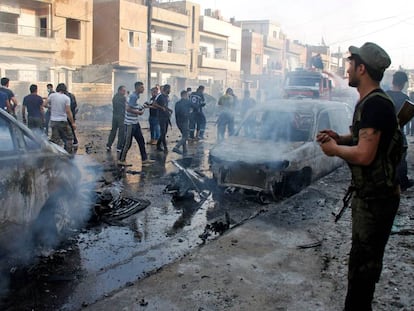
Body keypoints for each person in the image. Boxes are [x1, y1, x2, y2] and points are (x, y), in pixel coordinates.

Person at [317, 42, 403, 310]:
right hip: (372, 198)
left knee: (362, 270)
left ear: (362, 68)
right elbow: (364, 139)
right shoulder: (370, 102)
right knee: (360, 264)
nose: (346, 71)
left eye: (350, 65)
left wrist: (334, 150)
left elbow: (365, 155)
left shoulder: (375, 104)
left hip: (377, 201)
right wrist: (339, 137)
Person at [386, 71, 413, 191]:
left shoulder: (384, 95)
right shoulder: (405, 99)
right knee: (401, 158)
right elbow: (407, 118)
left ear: (393, 81)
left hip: (384, 134)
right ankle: (402, 182)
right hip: (399, 134)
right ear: (403, 84)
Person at [118, 81, 154, 166]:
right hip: (130, 124)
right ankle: (121, 160)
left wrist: (143, 106)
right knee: (128, 143)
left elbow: (135, 106)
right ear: (137, 88)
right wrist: (139, 113)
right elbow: (128, 109)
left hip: (135, 122)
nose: (143, 89)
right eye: (141, 87)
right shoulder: (133, 96)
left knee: (141, 141)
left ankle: (144, 159)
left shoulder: (136, 96)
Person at [48, 83, 76, 154]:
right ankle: (67, 155)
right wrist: (72, 123)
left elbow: (44, 104)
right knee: (68, 138)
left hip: (53, 121)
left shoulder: (52, 95)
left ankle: (56, 155)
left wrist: (51, 108)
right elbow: (68, 111)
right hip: (63, 121)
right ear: (65, 89)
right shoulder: (66, 98)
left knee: (55, 140)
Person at [106, 85, 127, 152]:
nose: (124, 92)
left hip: (115, 116)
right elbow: (125, 106)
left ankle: (109, 145)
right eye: (123, 91)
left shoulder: (115, 97)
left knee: (113, 131)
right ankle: (119, 147)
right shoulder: (122, 98)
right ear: (119, 90)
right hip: (120, 116)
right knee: (121, 132)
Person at [172, 90, 191, 155]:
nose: (188, 97)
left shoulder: (177, 103)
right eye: (187, 95)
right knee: (186, 136)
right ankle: (176, 147)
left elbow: (176, 113)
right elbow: (195, 106)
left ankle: (185, 151)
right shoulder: (187, 102)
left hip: (178, 122)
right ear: (185, 95)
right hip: (184, 121)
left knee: (184, 135)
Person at [155, 84, 172, 152]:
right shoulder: (160, 96)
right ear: (166, 89)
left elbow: (165, 106)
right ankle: (165, 147)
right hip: (161, 116)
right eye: (169, 89)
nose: (170, 90)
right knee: (163, 132)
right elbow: (154, 104)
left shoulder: (167, 97)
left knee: (164, 132)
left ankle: (158, 145)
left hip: (166, 116)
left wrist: (169, 110)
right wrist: (161, 108)